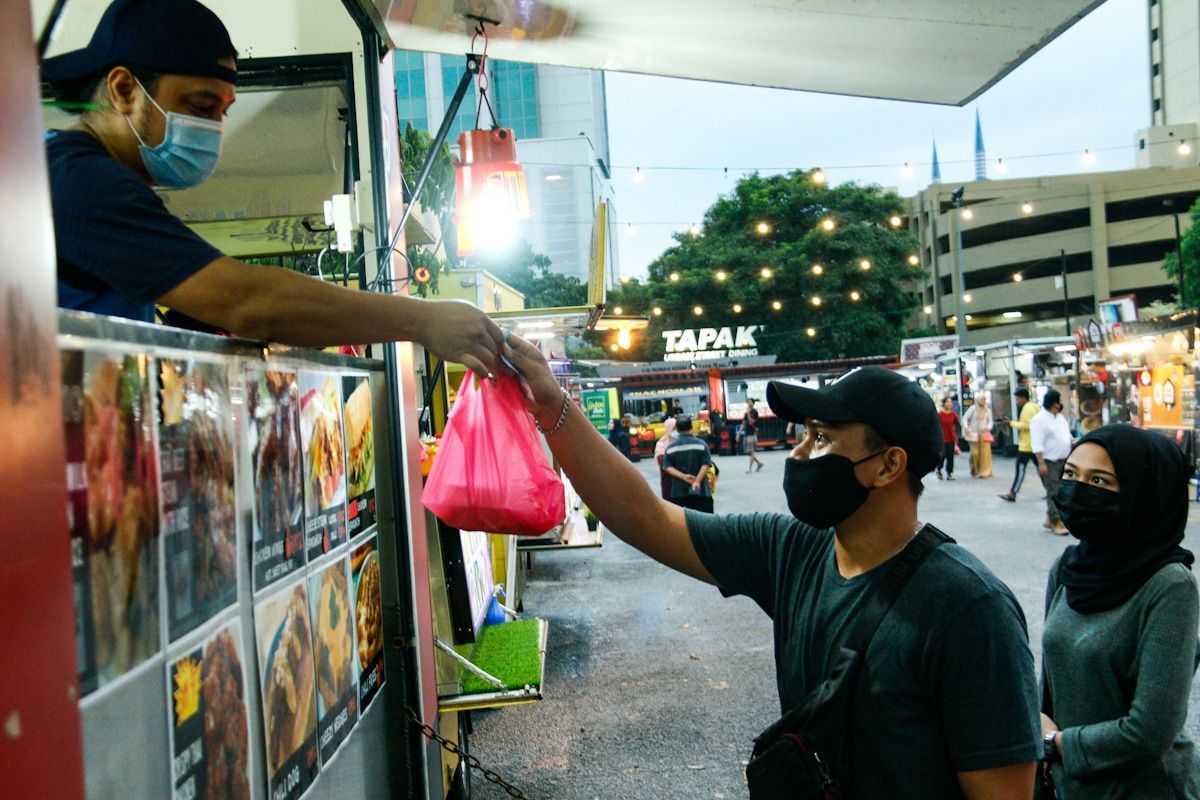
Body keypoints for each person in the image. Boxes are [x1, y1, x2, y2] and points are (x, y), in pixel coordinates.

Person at [502, 339, 1041, 798]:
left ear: (888, 465)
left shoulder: (971, 609)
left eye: (823, 438)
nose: (799, 453)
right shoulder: (794, 549)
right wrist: (552, 408)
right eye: (805, 434)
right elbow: (646, 518)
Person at [40, 0, 502, 378]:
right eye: (200, 106)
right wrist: (422, 320)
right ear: (124, 91)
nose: (213, 129)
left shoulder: (91, 178)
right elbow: (247, 300)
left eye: (223, 112)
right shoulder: (77, 180)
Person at [1040, 425, 1200, 797]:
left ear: (1141, 494)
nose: (1078, 490)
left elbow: (1150, 732)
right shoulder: (1067, 568)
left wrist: (1057, 743)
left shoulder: (1169, 585)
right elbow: (1049, 687)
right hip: (1070, 785)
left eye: (1099, 480)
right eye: (1071, 474)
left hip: (1145, 789)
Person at [1030, 390, 1072, 535]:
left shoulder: (1060, 418)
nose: (1060, 405)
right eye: (1058, 402)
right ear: (1053, 403)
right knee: (1053, 492)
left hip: (1064, 459)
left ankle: (1050, 517)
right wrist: (1041, 463)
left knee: (1063, 491)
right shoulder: (1039, 420)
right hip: (1049, 461)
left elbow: (1066, 436)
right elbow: (1037, 443)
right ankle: (1056, 521)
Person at [661, 416, 714, 513]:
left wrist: (684, 477)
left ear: (677, 429)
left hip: (679, 493)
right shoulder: (701, 445)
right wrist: (697, 481)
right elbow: (706, 464)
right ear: (691, 427)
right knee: (704, 523)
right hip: (701, 492)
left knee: (684, 525)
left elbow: (667, 467)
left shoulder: (670, 448)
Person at [999, 388, 1039, 502]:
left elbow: (1026, 425)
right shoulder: (1035, 406)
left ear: (1023, 398)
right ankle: (1053, 491)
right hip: (1034, 444)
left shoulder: (1027, 409)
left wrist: (1011, 423)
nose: (1016, 401)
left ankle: (1013, 493)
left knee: (1020, 470)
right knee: (1041, 469)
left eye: (1017, 398)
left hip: (1026, 445)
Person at [961, 395, 994, 479]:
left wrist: (988, 427)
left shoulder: (987, 410)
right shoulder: (973, 408)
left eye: (984, 399)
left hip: (984, 435)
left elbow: (990, 421)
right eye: (982, 399)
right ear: (978, 400)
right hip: (973, 435)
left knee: (985, 455)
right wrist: (966, 427)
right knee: (974, 453)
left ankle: (984, 471)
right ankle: (974, 469)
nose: (983, 401)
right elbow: (965, 418)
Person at [654, 416, 679, 499]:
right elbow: (662, 461)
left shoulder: (681, 441)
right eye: (674, 428)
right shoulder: (661, 444)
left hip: (683, 481)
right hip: (669, 480)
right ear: (668, 429)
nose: (676, 431)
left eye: (677, 428)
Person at [937, 396, 959, 480]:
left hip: (951, 437)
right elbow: (936, 426)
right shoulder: (940, 414)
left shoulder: (954, 415)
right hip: (942, 438)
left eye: (950, 402)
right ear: (944, 403)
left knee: (950, 456)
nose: (949, 403)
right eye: (947, 402)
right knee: (943, 455)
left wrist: (956, 436)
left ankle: (949, 473)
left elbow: (957, 425)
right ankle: (939, 469)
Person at [741, 398, 764, 473]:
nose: (749, 403)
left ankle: (750, 469)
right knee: (747, 452)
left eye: (750, 402)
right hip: (746, 434)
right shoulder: (746, 413)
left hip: (752, 434)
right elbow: (743, 423)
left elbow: (751, 422)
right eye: (747, 402)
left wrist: (748, 414)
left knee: (751, 451)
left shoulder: (754, 412)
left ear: (753, 404)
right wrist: (738, 433)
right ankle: (759, 463)